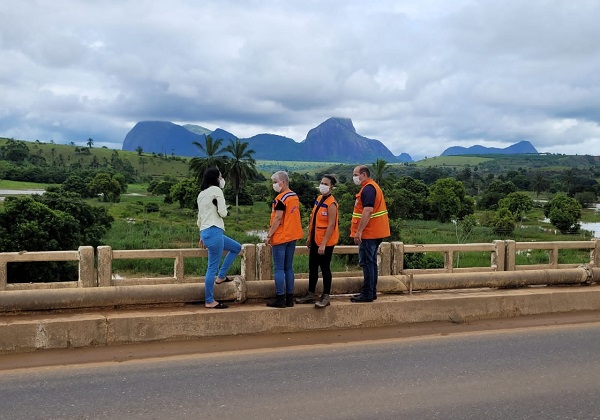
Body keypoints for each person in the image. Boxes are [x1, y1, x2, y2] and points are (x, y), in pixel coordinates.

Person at [197, 167, 242, 309]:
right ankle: (209, 300)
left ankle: (221, 276)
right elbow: (222, 213)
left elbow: (200, 218)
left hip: (207, 232)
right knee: (211, 268)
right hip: (215, 231)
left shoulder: (201, 194)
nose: (222, 179)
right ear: (215, 178)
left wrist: (201, 235)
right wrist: (224, 210)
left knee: (236, 247)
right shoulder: (217, 191)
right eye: (220, 176)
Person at [296, 174, 339, 308]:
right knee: (312, 267)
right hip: (315, 239)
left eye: (326, 184)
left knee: (325, 268)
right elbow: (314, 220)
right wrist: (309, 237)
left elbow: (331, 225)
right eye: (322, 183)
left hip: (325, 242)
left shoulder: (331, 203)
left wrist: (324, 243)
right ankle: (310, 293)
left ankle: (326, 296)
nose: (323, 185)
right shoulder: (319, 199)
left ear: (331, 187)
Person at [350, 165, 390, 303]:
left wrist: (359, 231)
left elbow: (367, 211)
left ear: (364, 175)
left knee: (366, 263)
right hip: (376, 232)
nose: (354, 177)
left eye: (356, 175)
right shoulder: (373, 187)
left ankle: (367, 293)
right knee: (371, 263)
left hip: (369, 233)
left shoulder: (368, 189)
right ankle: (371, 292)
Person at [265, 171, 303, 308]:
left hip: (281, 237)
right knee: (288, 268)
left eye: (275, 182)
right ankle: (290, 298)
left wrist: (269, 235)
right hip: (292, 236)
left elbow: (278, 218)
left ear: (283, 182)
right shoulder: (294, 196)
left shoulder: (281, 198)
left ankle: (280, 298)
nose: (274, 185)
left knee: (279, 269)